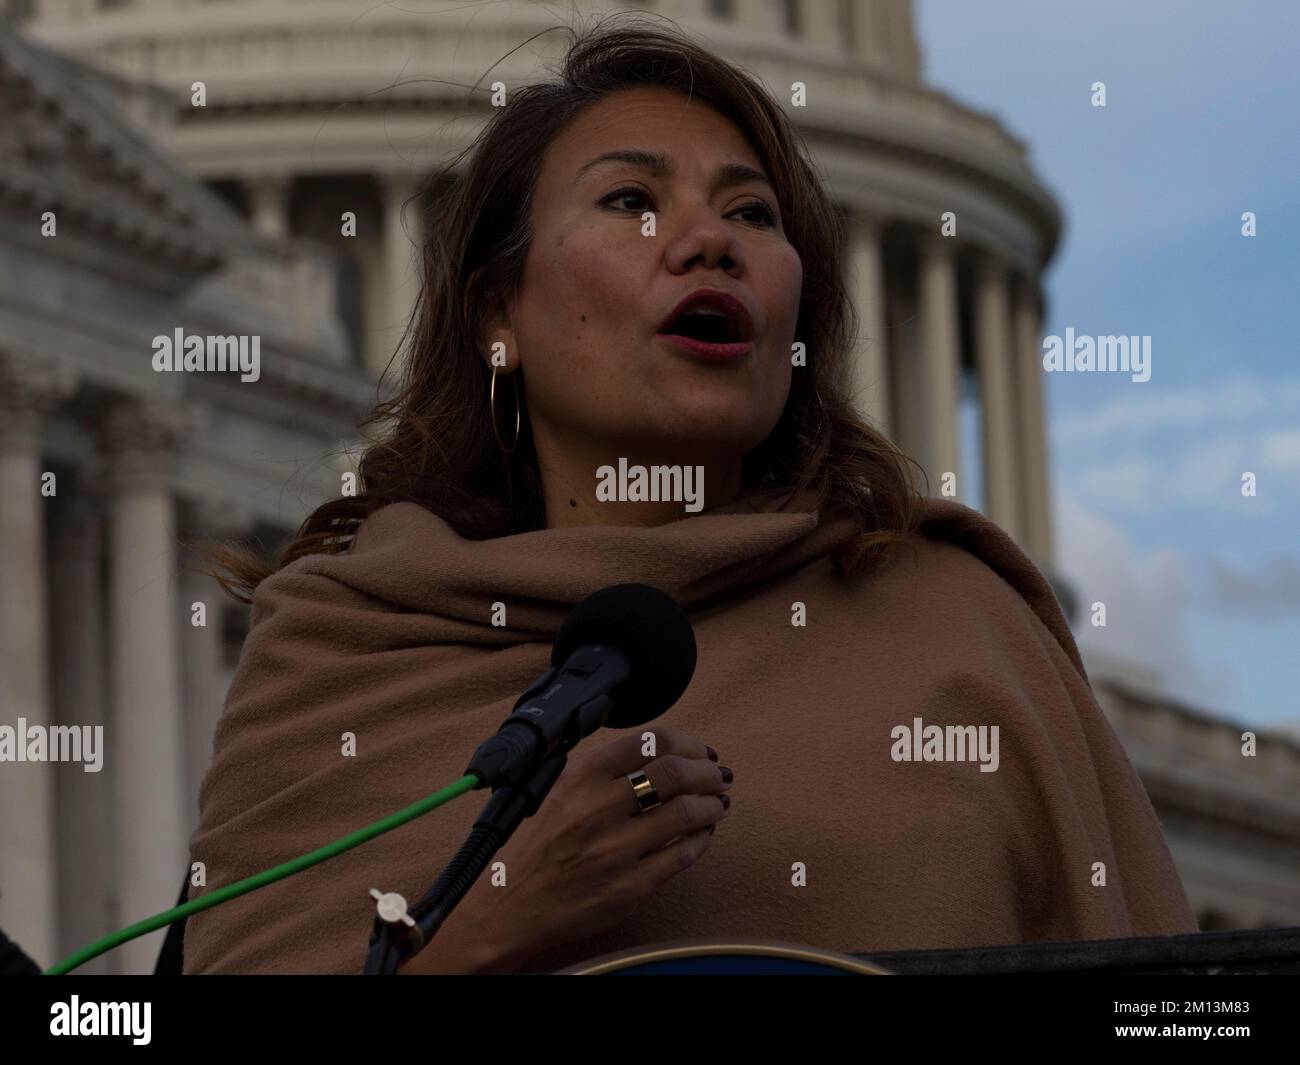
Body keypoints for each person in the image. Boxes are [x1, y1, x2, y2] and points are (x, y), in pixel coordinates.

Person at [184, 16, 1197, 975]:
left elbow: (1168, 1007)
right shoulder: (338, 652)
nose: (708, 241)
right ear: (498, 310)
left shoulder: (964, 631)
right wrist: (489, 932)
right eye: (631, 200)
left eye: (751, 213)